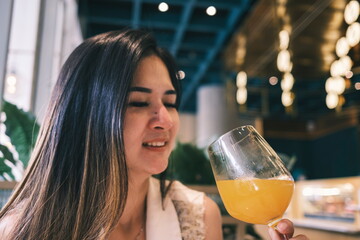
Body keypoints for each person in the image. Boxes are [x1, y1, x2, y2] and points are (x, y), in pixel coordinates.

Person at [0, 29, 308, 240]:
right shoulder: (22, 229)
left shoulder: (199, 217)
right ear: (86, 115)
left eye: (171, 103)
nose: (166, 120)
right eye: (138, 102)